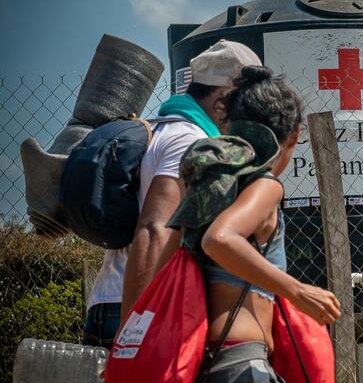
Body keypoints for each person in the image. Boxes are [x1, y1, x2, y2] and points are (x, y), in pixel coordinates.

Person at [166, 65, 340, 382]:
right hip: (242, 363)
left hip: (201, 357)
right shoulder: (265, 185)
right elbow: (219, 239)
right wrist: (297, 290)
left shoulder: (211, 184)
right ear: (294, 136)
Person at [83, 40, 262, 348]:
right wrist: (133, 333)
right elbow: (155, 230)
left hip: (118, 300)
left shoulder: (156, 129)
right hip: (139, 308)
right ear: (224, 94)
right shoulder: (188, 140)